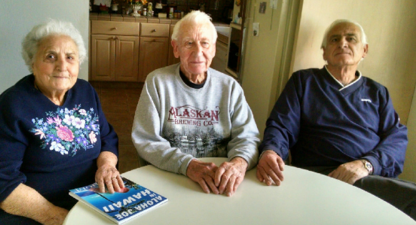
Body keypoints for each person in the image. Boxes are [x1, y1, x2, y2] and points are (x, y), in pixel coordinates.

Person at [256, 19, 416, 220]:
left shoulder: (377, 92)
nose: (342, 43)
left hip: (367, 175)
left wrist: (367, 164)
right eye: (334, 39)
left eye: (351, 39)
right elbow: (280, 125)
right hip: (318, 175)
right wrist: (271, 151)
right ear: (324, 51)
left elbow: (397, 139)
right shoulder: (304, 82)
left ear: (364, 50)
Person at [0, 20, 124, 225]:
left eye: (70, 57)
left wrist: (107, 166)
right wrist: (55, 216)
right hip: (33, 211)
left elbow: (107, 137)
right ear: (32, 63)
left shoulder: (85, 91)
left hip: (88, 199)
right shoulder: (13, 104)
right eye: (50, 56)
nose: (62, 66)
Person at [132, 11, 259, 197]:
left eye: (205, 43)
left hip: (220, 183)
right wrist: (188, 165)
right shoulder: (157, 83)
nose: (198, 52)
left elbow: (248, 137)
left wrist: (238, 163)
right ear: (176, 48)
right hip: (171, 179)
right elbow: (146, 140)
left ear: (214, 49)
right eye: (189, 43)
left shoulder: (230, 87)